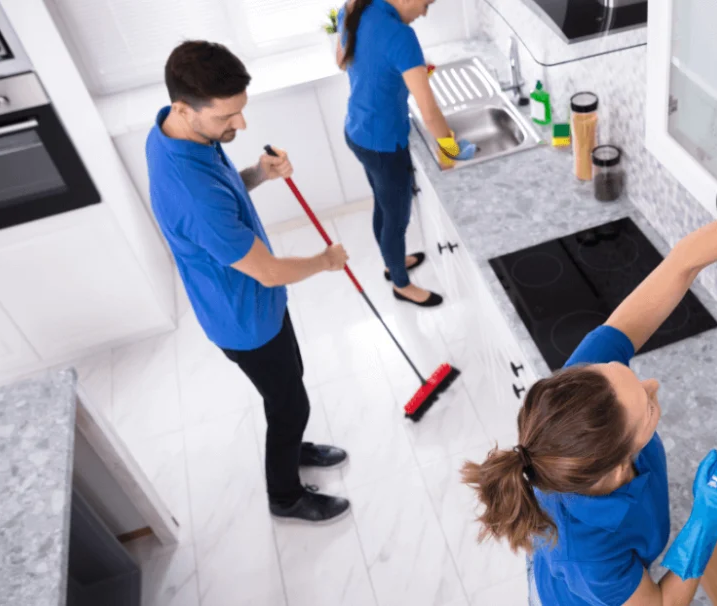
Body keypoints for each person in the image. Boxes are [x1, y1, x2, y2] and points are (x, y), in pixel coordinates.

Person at [462, 184, 717, 604]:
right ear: (621, 461)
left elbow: (682, 264)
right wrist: (706, 521)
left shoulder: (583, 390)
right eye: (647, 404)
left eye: (626, 374)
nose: (651, 384)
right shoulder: (590, 553)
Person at [146, 41, 354, 524]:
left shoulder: (174, 133)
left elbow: (225, 193)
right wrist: (325, 260)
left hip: (253, 304)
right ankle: (285, 497)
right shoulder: (192, 193)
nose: (240, 126)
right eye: (228, 117)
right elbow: (268, 270)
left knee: (288, 387)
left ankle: (294, 444)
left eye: (240, 112)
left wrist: (258, 172)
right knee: (289, 404)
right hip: (244, 319)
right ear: (184, 107)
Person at [335, 0, 477, 308]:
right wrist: (450, 151)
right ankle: (401, 284)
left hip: (357, 130)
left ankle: (391, 262)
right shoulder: (400, 36)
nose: (425, 13)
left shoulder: (353, 8)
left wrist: (392, 73)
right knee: (396, 219)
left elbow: (342, 61)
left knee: (383, 206)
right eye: (426, 4)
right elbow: (429, 110)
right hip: (385, 144)